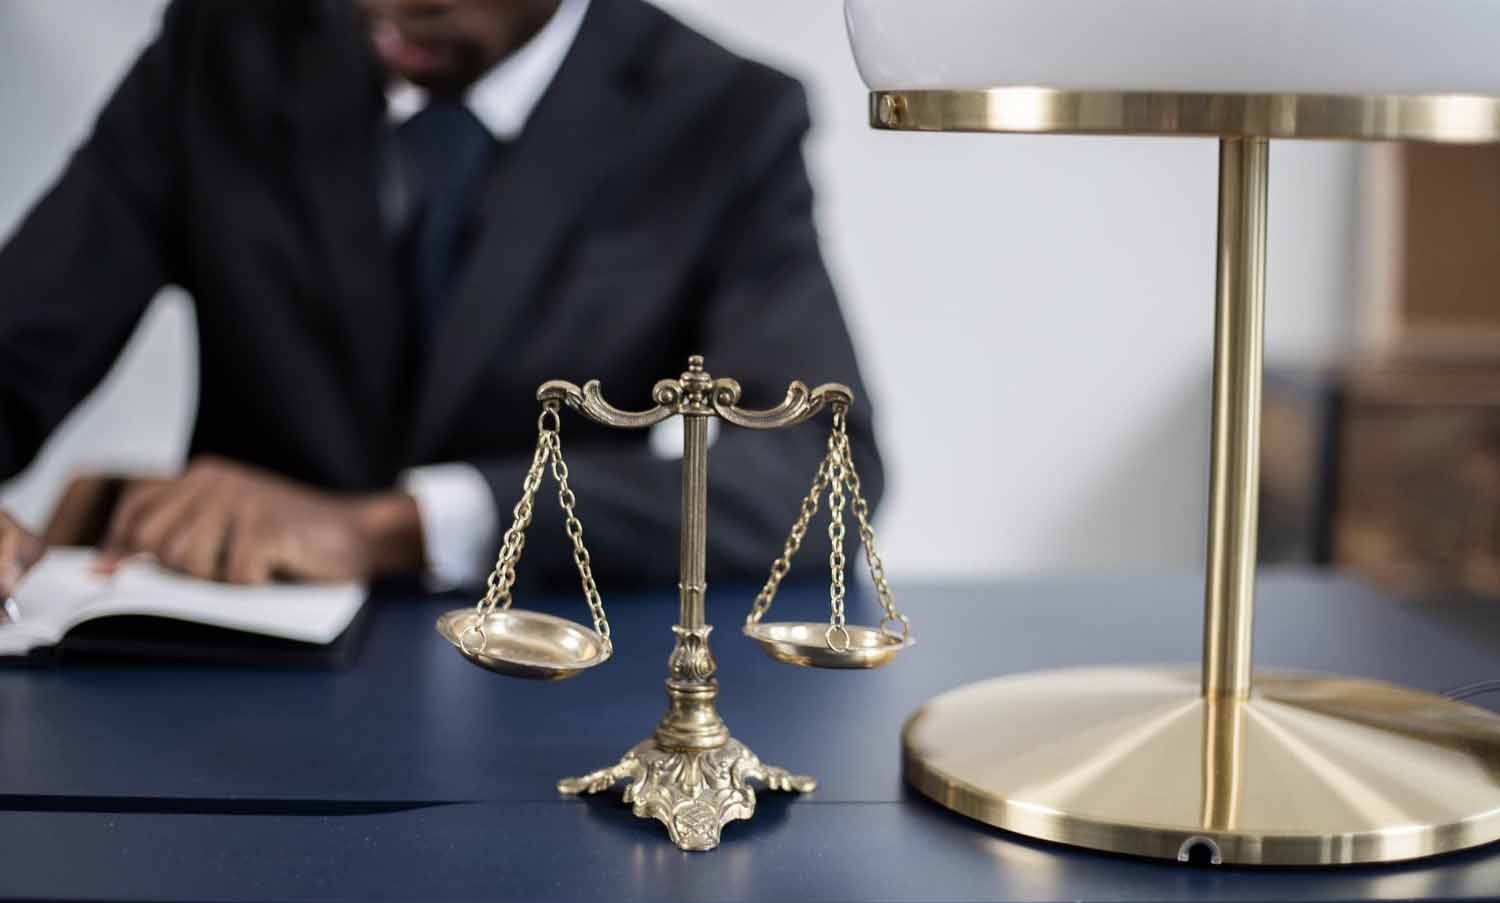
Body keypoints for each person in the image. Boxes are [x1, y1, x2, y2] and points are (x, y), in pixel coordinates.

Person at [0, 0, 882, 613]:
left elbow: (819, 476)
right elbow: (22, 340)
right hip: (217, 661)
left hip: (545, 679)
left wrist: (396, 529)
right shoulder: (219, 52)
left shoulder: (722, 115)